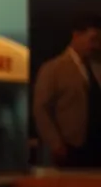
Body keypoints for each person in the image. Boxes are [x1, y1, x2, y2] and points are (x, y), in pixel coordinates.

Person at [33, 13, 101, 168]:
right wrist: (56, 143)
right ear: (76, 35)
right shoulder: (53, 69)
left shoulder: (97, 67)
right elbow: (41, 109)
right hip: (71, 148)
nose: (96, 45)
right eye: (93, 39)